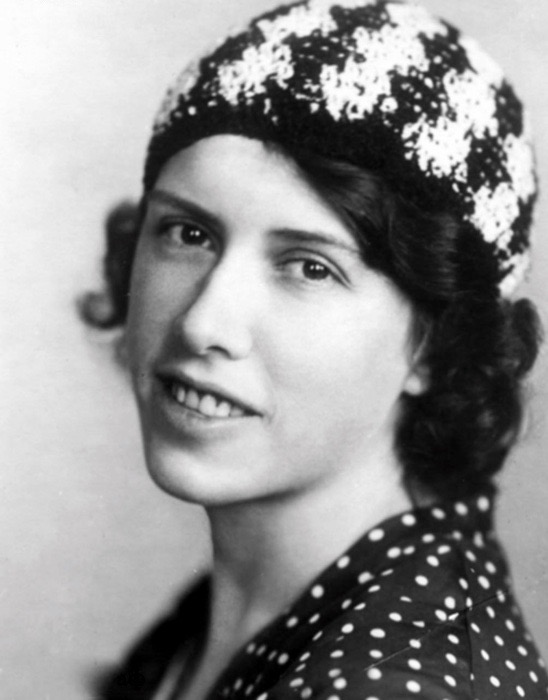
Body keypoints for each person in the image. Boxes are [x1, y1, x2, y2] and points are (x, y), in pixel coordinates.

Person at [83, 0, 548, 698]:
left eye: (309, 267)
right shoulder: (238, 611)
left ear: (436, 345)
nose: (204, 323)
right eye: (189, 234)